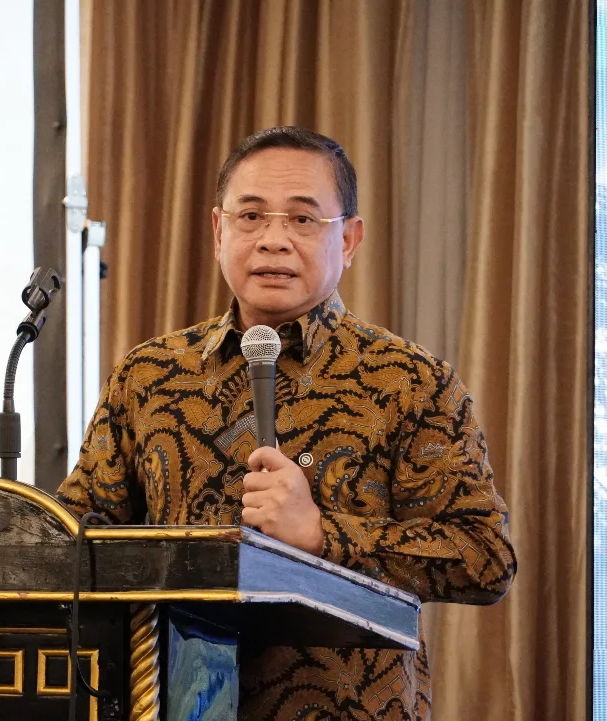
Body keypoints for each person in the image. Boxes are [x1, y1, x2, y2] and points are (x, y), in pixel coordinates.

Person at [56, 126, 517, 721]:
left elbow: (484, 558)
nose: (273, 241)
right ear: (219, 231)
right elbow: (76, 535)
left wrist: (323, 535)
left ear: (348, 239)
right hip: (167, 703)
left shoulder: (410, 381)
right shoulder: (149, 373)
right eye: (251, 217)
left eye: (303, 219)